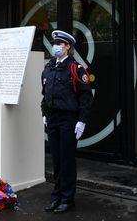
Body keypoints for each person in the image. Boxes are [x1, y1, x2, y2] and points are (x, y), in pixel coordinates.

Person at [41, 30, 94, 214]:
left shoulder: (75, 69)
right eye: (54, 43)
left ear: (67, 47)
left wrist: (82, 121)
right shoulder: (49, 67)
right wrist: (44, 114)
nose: (55, 46)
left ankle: (67, 199)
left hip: (68, 120)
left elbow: (86, 97)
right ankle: (56, 197)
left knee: (67, 161)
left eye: (59, 44)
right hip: (53, 119)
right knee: (56, 160)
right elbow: (45, 94)